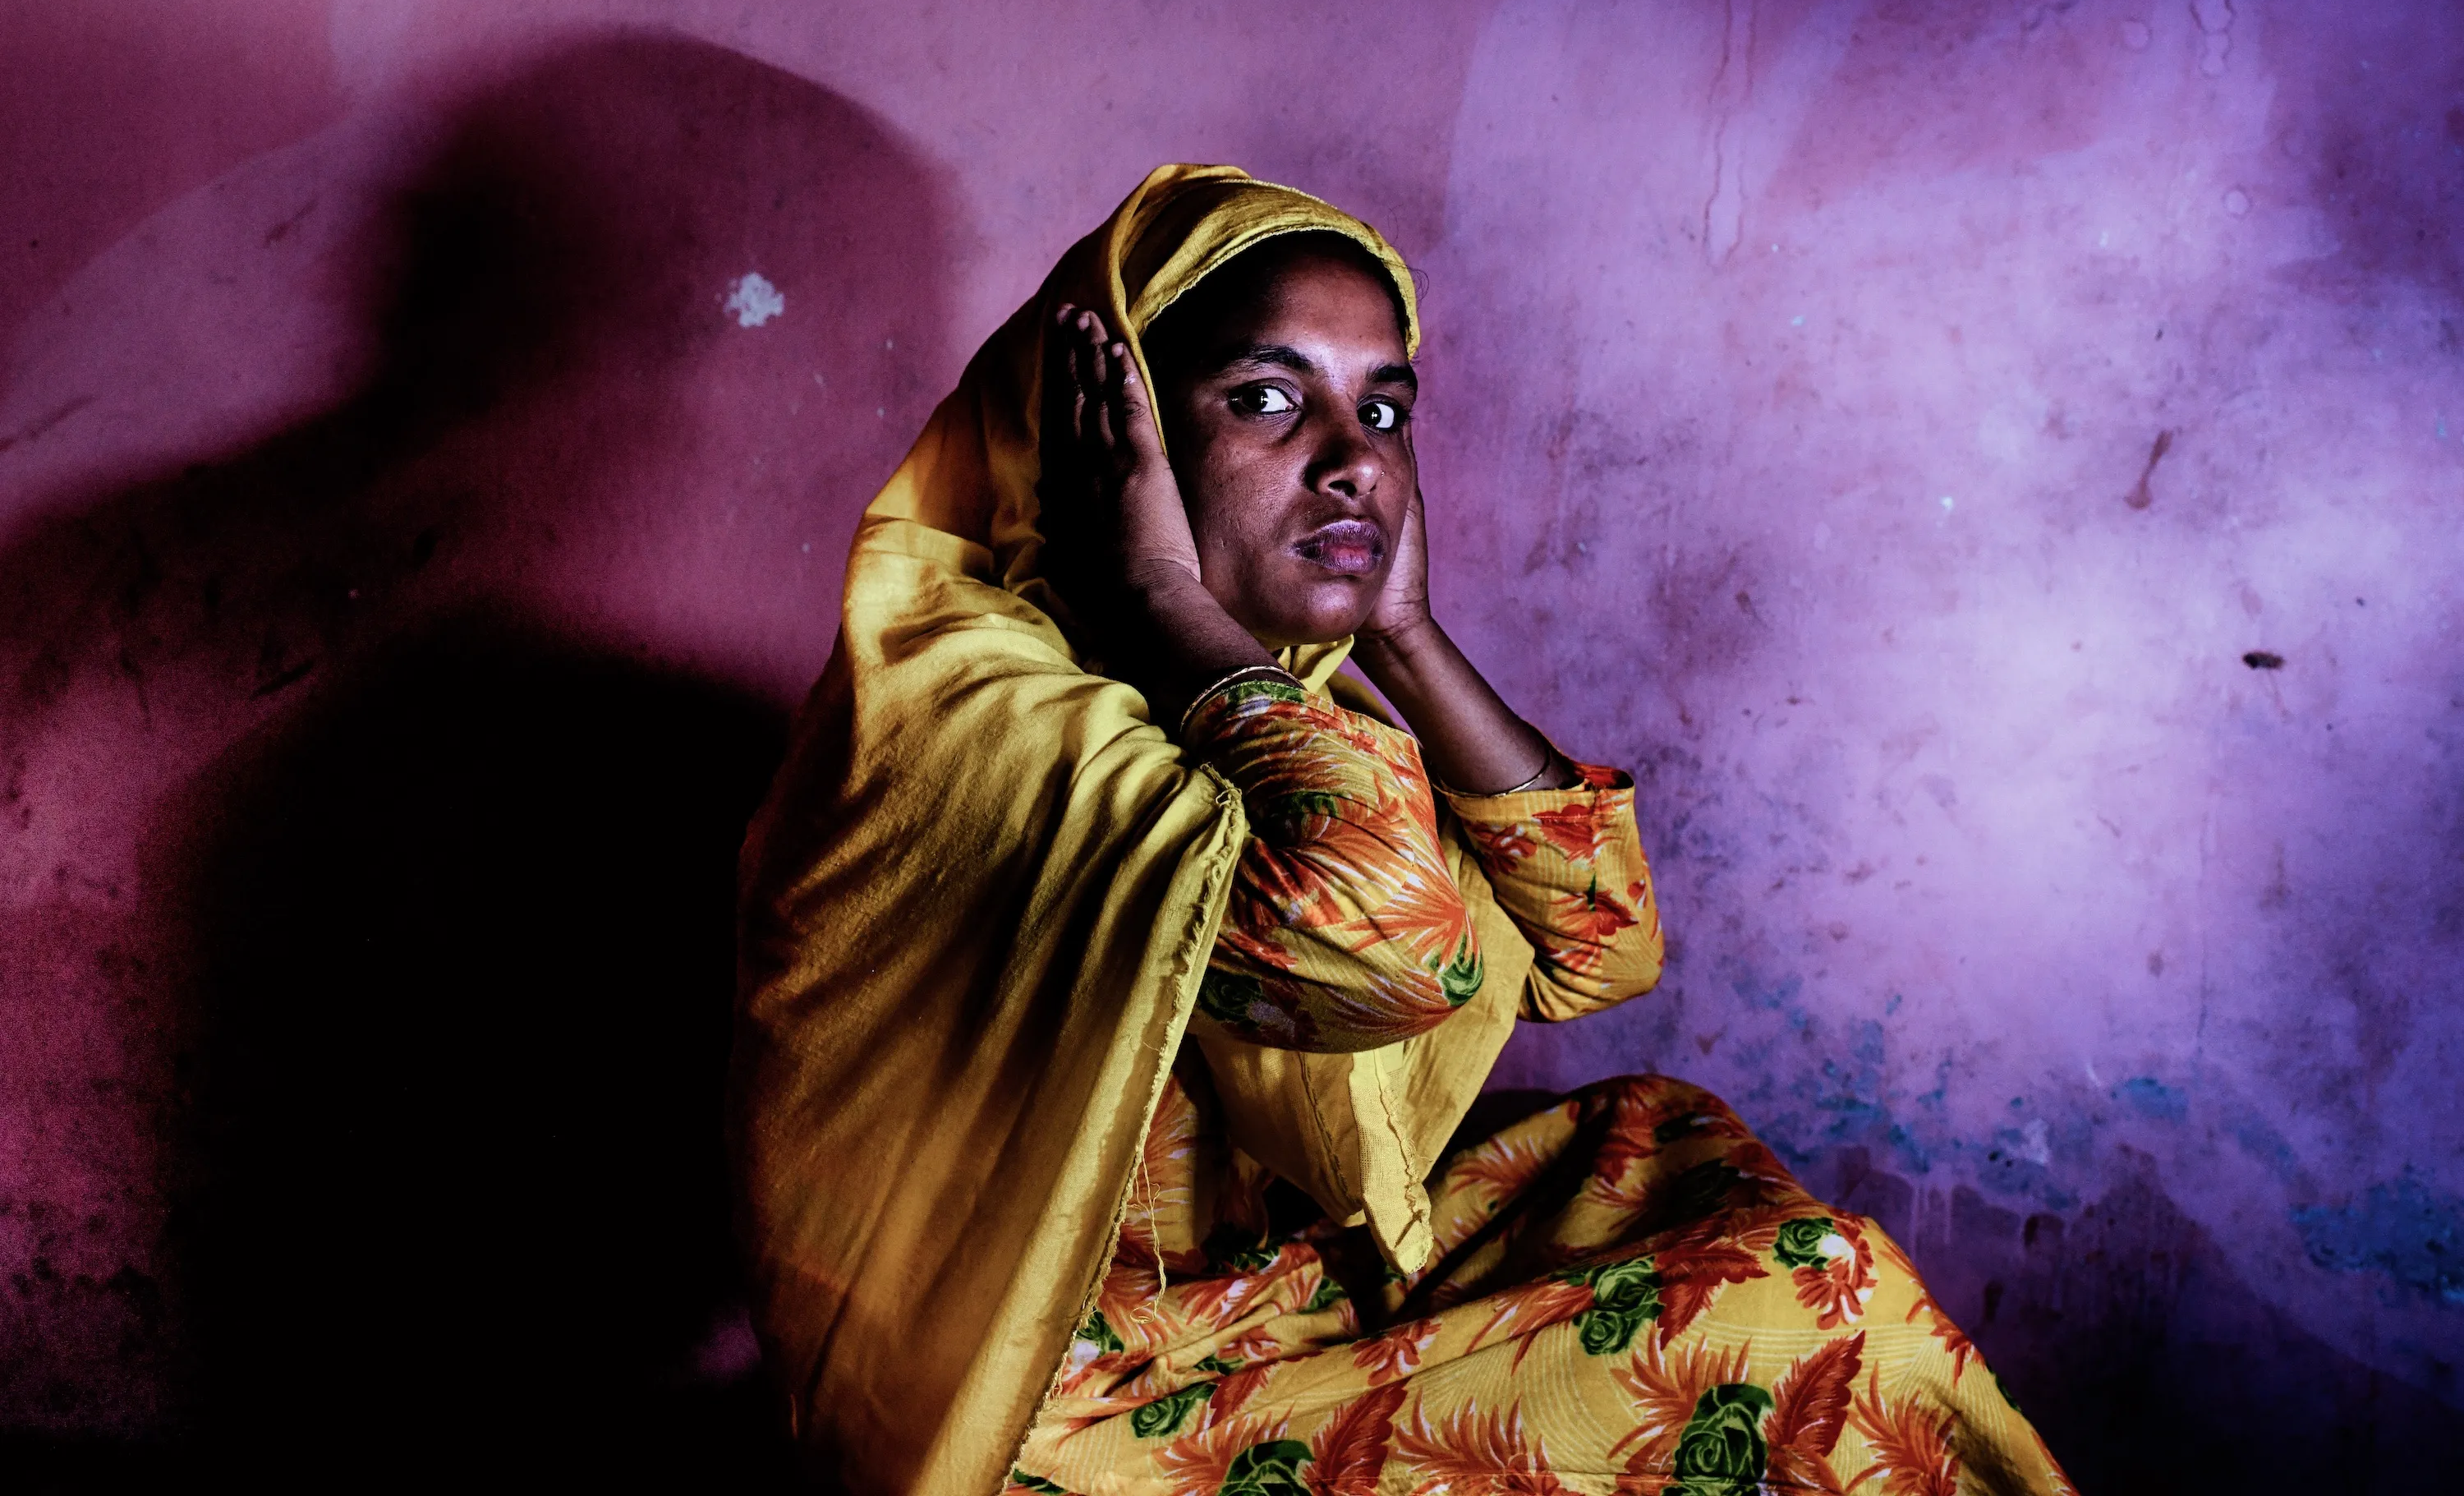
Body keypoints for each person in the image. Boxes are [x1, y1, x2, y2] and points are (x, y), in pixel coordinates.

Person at [731, 165, 2075, 1496]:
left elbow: (1598, 948)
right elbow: (1387, 948)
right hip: (1041, 1413)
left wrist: (1409, 638)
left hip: (1246, 1313)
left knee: (1656, 1149)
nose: (1354, 463)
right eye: (1266, 399)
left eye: (1383, 410)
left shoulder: (1259, 705)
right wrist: (1153, 585)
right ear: (1090, 444)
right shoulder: (983, 716)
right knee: (1810, 1302)